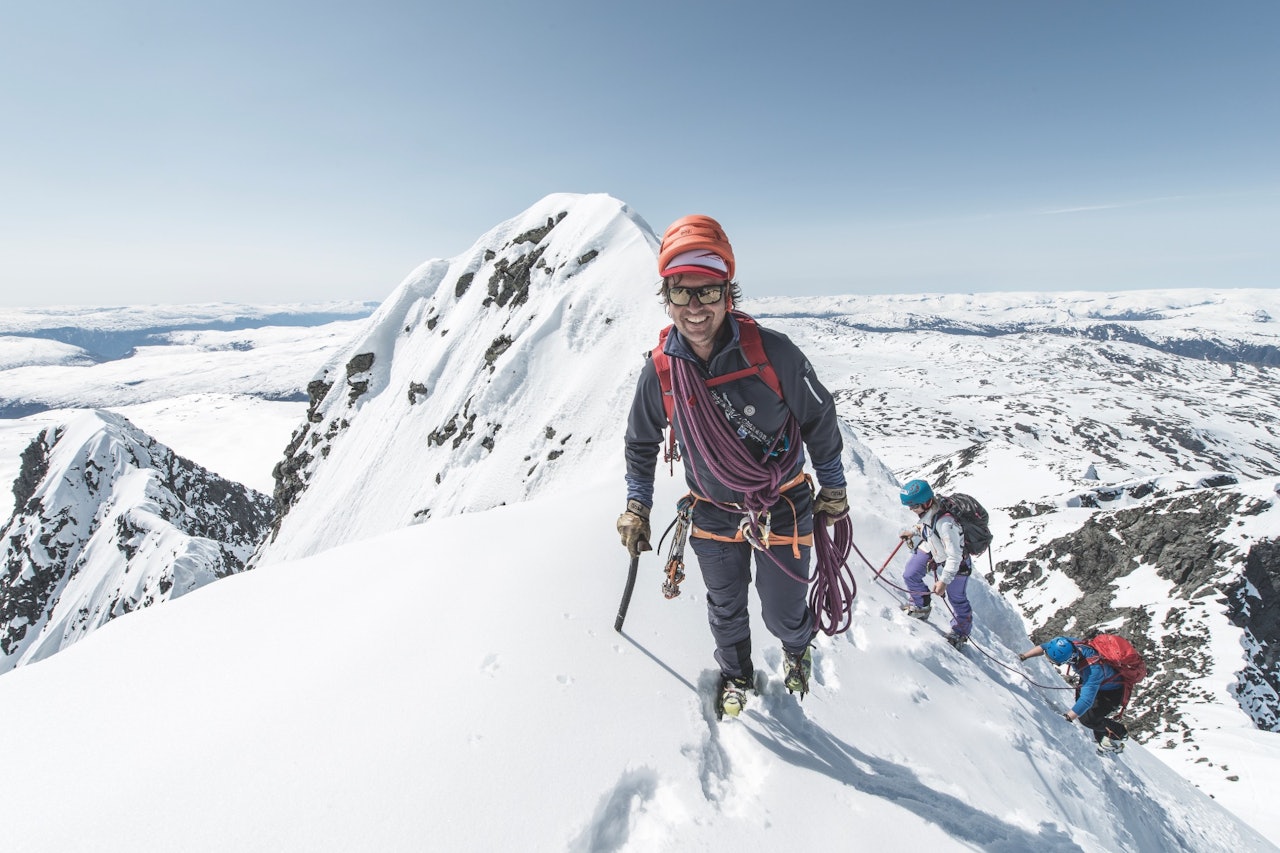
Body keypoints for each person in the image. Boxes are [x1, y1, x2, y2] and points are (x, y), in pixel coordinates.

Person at [616, 214, 848, 718]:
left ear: (729, 293)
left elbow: (819, 420)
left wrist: (832, 487)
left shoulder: (773, 354)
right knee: (725, 608)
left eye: (708, 292)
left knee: (784, 609)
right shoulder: (661, 371)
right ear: (667, 297)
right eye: (682, 293)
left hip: (782, 503)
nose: (695, 308)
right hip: (712, 511)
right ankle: (737, 674)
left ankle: (795, 646)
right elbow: (641, 441)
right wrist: (638, 504)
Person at [1020, 636, 1130, 753]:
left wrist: (1067, 718)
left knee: (1087, 719)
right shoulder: (1068, 645)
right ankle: (1102, 737)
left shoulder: (1092, 670)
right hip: (1100, 682)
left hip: (1111, 693)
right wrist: (1024, 656)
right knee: (1084, 710)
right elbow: (1044, 647)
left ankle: (1119, 733)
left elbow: (1086, 701)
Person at [897, 479, 973, 647]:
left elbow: (955, 556)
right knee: (911, 573)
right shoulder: (928, 512)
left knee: (957, 598)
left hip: (956, 562)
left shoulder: (946, 524)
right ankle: (921, 606)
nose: (912, 509)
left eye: (914, 506)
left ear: (927, 501)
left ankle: (960, 633)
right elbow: (925, 525)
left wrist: (944, 581)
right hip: (934, 547)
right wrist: (912, 532)